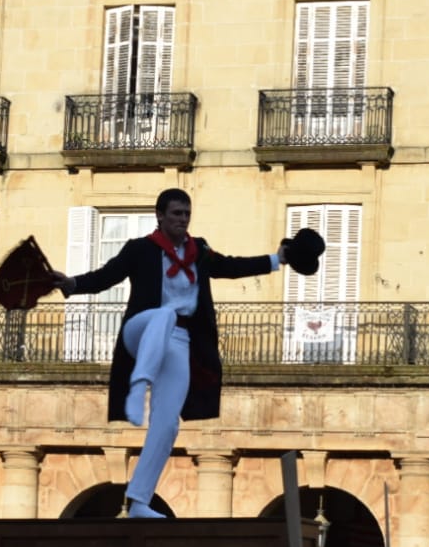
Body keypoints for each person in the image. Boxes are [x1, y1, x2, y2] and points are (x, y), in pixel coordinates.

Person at [49, 187, 299, 518]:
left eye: (186, 214)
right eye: (177, 213)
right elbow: (106, 276)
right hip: (142, 332)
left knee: (167, 425)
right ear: (160, 216)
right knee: (164, 315)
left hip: (179, 341)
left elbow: (230, 266)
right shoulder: (140, 250)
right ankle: (138, 388)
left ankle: (138, 501)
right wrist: (72, 284)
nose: (183, 220)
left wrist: (275, 260)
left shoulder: (200, 252)